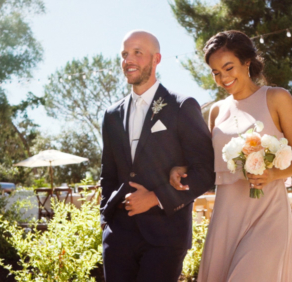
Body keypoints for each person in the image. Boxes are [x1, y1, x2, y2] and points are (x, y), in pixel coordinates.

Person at [170, 30, 292, 282]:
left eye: (228, 67)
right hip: (227, 215)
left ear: (247, 62)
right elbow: (210, 163)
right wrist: (182, 168)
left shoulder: (277, 98)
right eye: (215, 72)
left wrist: (273, 174)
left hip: (268, 213)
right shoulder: (217, 111)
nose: (223, 77)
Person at [99, 30, 215, 282]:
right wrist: (105, 219)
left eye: (137, 53)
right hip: (118, 236)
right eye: (124, 54)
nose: (128, 60)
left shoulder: (182, 106)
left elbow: (205, 171)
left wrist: (155, 198)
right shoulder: (111, 115)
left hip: (165, 235)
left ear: (156, 59)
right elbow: (107, 173)